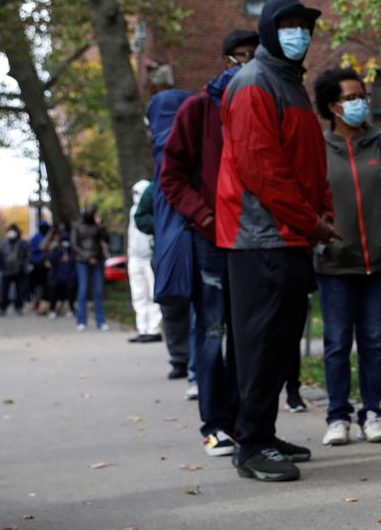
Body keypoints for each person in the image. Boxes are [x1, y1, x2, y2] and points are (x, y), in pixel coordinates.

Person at [217, 0, 338, 482]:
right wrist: (312, 221)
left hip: (287, 235)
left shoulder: (290, 85)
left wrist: (319, 213)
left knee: (280, 341)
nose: (300, 34)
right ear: (268, 30)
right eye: (288, 25)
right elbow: (263, 171)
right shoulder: (254, 84)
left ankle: (262, 432)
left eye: (305, 26)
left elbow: (308, 163)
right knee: (262, 341)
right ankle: (250, 445)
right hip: (261, 237)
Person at [160, 27, 257, 457]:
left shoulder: (262, 105)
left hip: (254, 238)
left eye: (256, 55)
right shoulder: (198, 110)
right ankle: (215, 424)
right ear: (225, 60)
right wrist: (203, 215)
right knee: (213, 327)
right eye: (240, 55)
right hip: (211, 238)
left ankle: (245, 422)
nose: (248, 62)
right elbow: (171, 177)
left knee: (247, 332)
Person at [311, 68, 381, 446]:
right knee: (337, 342)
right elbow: (307, 204)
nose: (360, 104)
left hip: (379, 263)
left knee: (372, 341)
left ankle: (372, 413)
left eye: (363, 96)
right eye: (351, 97)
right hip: (335, 265)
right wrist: (320, 240)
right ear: (332, 105)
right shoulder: (317, 148)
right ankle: (337, 416)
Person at [145, 83, 198, 388]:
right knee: (194, 307)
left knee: (178, 303)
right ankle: (191, 364)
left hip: (173, 242)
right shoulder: (194, 150)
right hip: (193, 234)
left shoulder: (163, 159)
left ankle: (187, 361)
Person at [126, 180, 163, 343]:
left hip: (148, 257)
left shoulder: (152, 211)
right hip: (134, 258)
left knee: (153, 294)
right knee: (139, 295)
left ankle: (154, 329)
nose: (136, 196)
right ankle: (142, 328)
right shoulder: (133, 211)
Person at [71, 206, 110, 331]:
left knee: (98, 291)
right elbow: (74, 244)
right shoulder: (77, 226)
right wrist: (88, 257)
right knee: (83, 290)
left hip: (97, 261)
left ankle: (100, 320)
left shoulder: (97, 227)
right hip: (82, 261)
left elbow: (106, 239)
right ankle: (81, 320)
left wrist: (101, 226)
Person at [0, 224, 31, 316]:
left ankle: (18, 307)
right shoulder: (4, 244)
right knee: (4, 290)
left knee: (20, 290)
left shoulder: (23, 243)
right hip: (6, 270)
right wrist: (0, 267)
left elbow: (27, 256)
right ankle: (3, 307)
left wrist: (24, 265)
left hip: (19, 270)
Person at [45, 227, 76, 318]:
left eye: (67, 241)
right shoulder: (56, 251)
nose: (65, 243)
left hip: (69, 277)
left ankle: (71, 309)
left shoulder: (72, 252)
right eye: (63, 241)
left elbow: (74, 266)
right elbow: (51, 262)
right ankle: (52, 309)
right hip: (57, 277)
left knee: (71, 287)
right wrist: (59, 253)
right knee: (53, 287)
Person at [27, 220, 51, 314]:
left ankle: (44, 303)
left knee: (45, 285)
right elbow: (32, 249)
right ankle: (38, 302)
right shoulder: (36, 237)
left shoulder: (47, 237)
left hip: (47, 264)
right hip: (38, 265)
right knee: (38, 285)